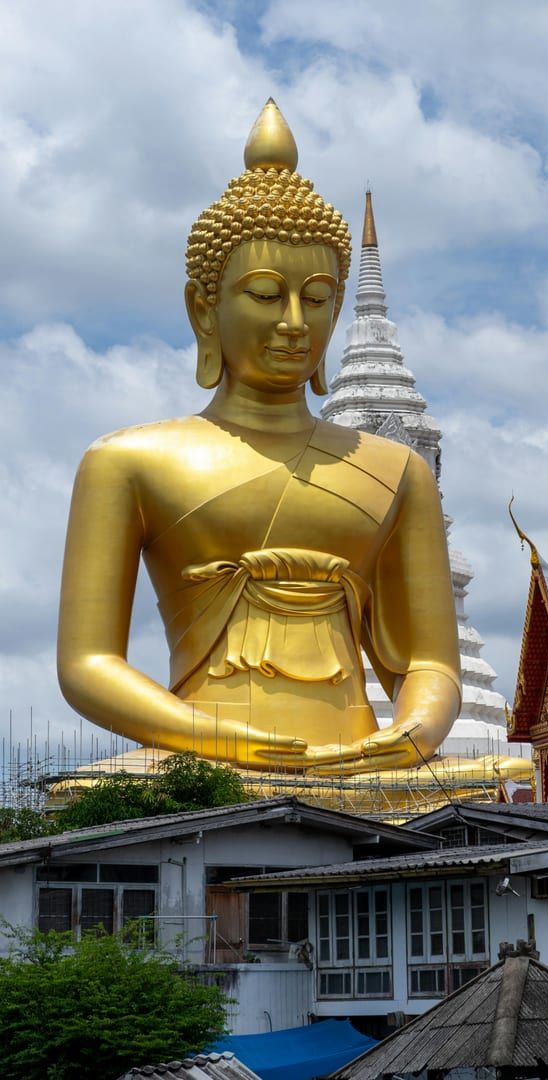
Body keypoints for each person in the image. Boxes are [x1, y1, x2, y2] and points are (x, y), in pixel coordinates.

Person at [57, 100, 461, 773]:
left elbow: (431, 664)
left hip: (359, 761)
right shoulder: (127, 462)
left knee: (484, 783)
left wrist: (414, 730)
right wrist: (217, 739)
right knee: (107, 790)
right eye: (267, 293)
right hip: (202, 755)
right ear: (203, 308)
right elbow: (87, 664)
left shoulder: (398, 470)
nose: (297, 322)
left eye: (318, 294)